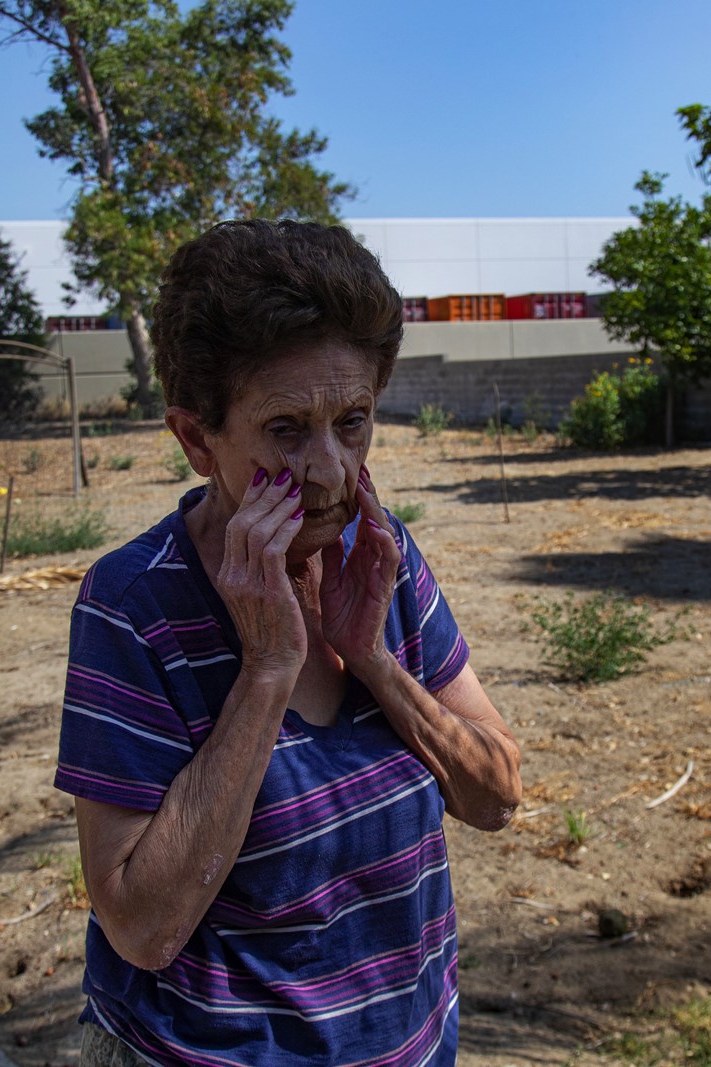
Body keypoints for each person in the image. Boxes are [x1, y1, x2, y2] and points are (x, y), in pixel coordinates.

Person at [55, 219, 522, 1066]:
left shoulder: (381, 557)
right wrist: (267, 671)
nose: (332, 471)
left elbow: (495, 797)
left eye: (353, 421)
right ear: (198, 439)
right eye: (284, 430)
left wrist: (376, 660)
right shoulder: (133, 604)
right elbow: (143, 927)